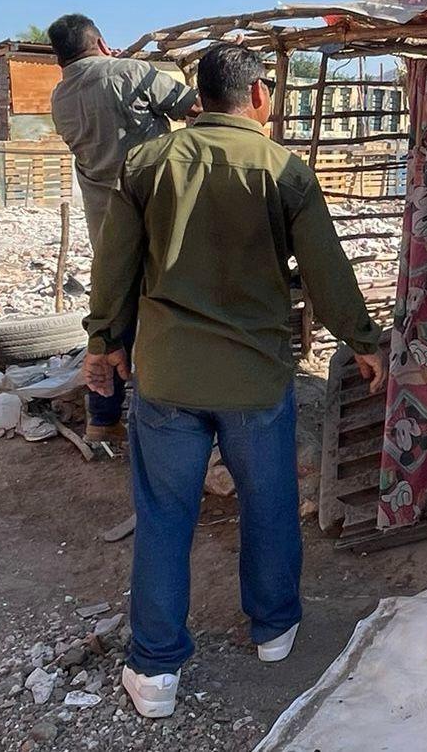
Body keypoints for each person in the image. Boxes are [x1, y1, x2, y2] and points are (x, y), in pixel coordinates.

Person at [83, 42, 386, 719]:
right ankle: (274, 630)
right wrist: (363, 342)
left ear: (199, 99)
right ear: (258, 97)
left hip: (168, 376)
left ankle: (156, 670)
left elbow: (115, 266)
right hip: (254, 378)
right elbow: (326, 271)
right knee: (269, 500)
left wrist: (105, 339)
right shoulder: (285, 171)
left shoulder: (147, 164)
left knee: (165, 515)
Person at [48, 14, 199, 444]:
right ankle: (170, 413)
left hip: (107, 228)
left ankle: (103, 417)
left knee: (112, 315)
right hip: (159, 220)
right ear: (100, 42)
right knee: (169, 311)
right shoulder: (130, 73)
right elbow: (195, 107)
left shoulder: (60, 97)